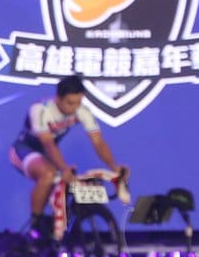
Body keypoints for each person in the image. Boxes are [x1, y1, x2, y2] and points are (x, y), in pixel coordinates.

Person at [9, 76, 127, 235]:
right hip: (24, 150)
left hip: (47, 153)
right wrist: (64, 168)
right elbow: (48, 144)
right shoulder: (40, 109)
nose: (74, 108)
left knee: (69, 183)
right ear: (58, 98)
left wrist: (114, 167)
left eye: (78, 102)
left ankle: (56, 224)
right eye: (70, 103)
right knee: (49, 175)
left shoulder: (82, 111)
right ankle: (36, 223)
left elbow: (98, 143)